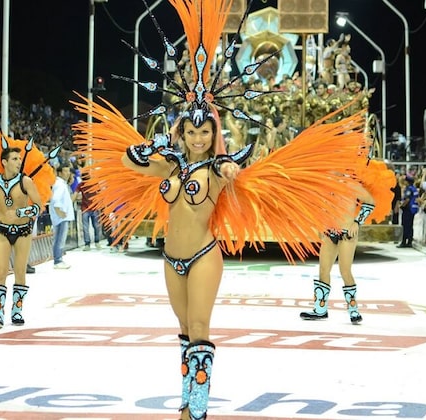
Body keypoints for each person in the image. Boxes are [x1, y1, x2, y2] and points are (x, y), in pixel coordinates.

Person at [71, 1, 370, 418]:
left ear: (215, 134)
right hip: (170, 258)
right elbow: (125, 161)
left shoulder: (217, 168)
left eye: (205, 130)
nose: (197, 137)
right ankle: (185, 402)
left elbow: (233, 170)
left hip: (203, 256)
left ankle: (198, 409)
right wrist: (144, 148)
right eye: (191, 130)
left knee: (199, 329)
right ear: (183, 131)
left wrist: (231, 168)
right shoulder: (169, 164)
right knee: (181, 333)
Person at [300, 159, 396, 324]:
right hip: (330, 231)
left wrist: (357, 222)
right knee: (323, 270)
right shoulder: (327, 186)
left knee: (345, 271)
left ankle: (353, 310)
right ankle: (320, 310)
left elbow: (370, 202)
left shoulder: (350, 185)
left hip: (347, 233)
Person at [0, 134, 55, 329]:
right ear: (4, 162)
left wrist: (19, 212)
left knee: (20, 272)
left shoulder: (26, 182)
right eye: (14, 159)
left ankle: (17, 310)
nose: (19, 162)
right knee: (0, 272)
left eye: (20, 158)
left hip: (23, 231)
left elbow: (39, 206)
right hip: (1, 231)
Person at [49, 164, 75, 269]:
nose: (68, 173)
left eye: (69, 171)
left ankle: (58, 259)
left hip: (63, 216)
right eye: (65, 171)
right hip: (61, 217)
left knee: (60, 238)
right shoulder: (59, 184)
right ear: (60, 172)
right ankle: (58, 260)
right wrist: (59, 211)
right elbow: (55, 199)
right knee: (59, 239)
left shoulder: (62, 184)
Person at [78, 173, 103, 251]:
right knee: (95, 226)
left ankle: (90, 243)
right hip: (88, 208)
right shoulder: (83, 184)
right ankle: (94, 242)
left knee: (89, 227)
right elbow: (100, 194)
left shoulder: (84, 184)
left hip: (90, 208)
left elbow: (100, 194)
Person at [397, 175, 419, 248]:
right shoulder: (414, 188)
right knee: (410, 226)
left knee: (405, 225)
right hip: (412, 210)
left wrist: (401, 206)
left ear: (407, 182)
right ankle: (409, 241)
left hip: (408, 209)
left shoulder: (409, 189)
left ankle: (404, 242)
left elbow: (407, 199)